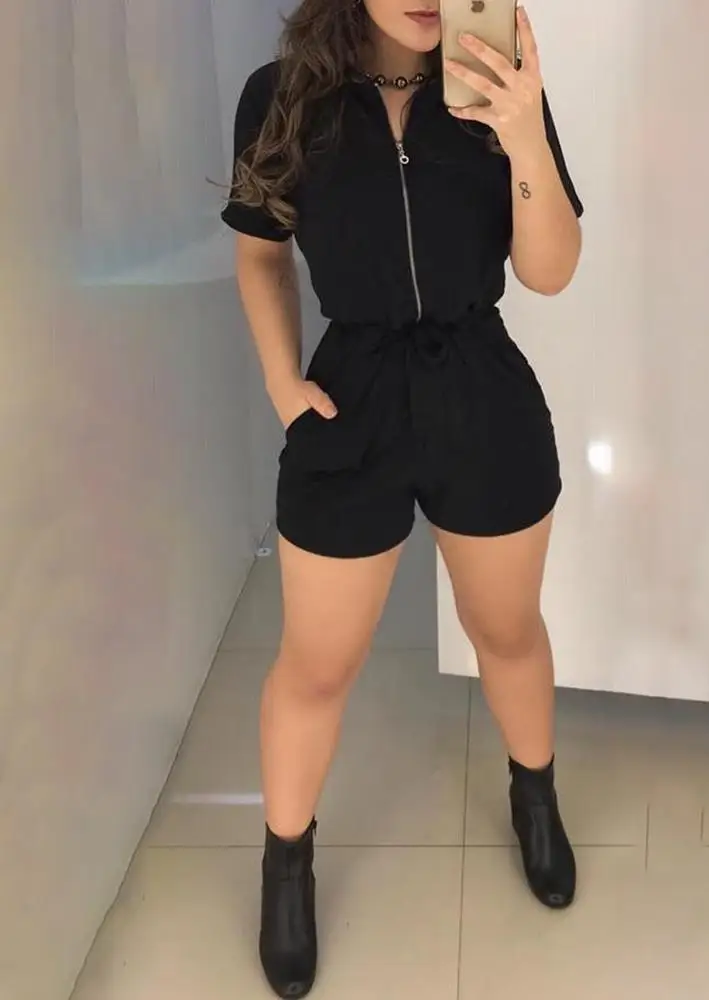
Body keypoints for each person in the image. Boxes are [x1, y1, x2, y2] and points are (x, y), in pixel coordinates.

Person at [221, 1, 583, 996]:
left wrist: (523, 135)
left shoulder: (500, 88)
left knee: (506, 630)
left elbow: (550, 271)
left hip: (481, 390)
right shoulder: (283, 96)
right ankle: (285, 869)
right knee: (315, 665)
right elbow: (259, 245)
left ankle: (535, 799)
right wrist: (281, 382)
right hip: (350, 400)